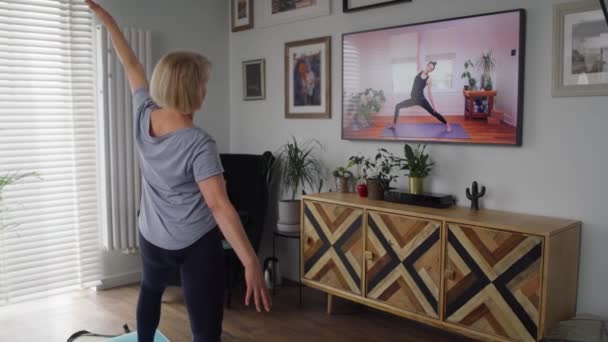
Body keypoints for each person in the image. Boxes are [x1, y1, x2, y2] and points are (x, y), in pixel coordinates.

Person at [85, 1, 271, 341]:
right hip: (195, 242)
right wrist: (250, 261)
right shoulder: (200, 144)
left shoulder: (144, 113)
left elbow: (130, 64)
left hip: (152, 234)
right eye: (204, 82)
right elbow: (219, 207)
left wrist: (108, 21)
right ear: (192, 89)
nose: (206, 88)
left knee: (151, 290)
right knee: (204, 324)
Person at [388, 61, 452, 132]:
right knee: (397, 106)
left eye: (431, 68)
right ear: (426, 65)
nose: (429, 69)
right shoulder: (419, 70)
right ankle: (394, 124)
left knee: (434, 113)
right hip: (413, 99)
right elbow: (418, 56)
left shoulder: (429, 79)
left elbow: (429, 93)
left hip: (421, 100)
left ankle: (447, 124)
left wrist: (434, 106)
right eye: (429, 66)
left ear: (431, 71)